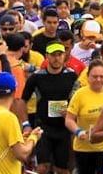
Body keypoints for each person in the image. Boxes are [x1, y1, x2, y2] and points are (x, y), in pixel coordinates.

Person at [22, 43, 79, 174]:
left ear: (64, 56)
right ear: (47, 56)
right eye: (53, 55)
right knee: (42, 168)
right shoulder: (37, 76)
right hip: (43, 127)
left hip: (64, 129)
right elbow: (21, 101)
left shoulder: (72, 76)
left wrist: (71, 114)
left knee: (63, 169)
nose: (56, 58)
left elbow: (79, 100)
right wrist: (26, 124)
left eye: (59, 55)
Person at [0, 74, 43, 174]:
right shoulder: (9, 118)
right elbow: (21, 154)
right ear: (14, 93)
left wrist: (18, 138)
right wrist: (33, 137)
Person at [67, 61, 103, 174]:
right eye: (94, 76)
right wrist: (78, 131)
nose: (98, 80)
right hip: (84, 148)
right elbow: (69, 119)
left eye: (102, 76)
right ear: (88, 77)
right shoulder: (80, 94)